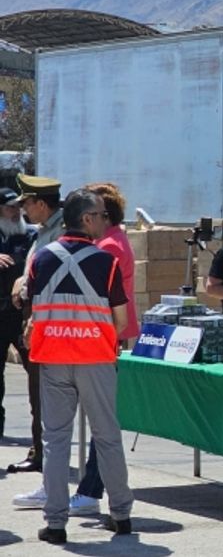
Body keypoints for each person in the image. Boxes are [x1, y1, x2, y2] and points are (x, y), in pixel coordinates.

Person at [28, 189, 134, 544]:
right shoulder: (107, 263)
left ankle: (55, 524)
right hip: (96, 361)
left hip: (53, 360)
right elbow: (120, 320)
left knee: (56, 441)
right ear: (87, 219)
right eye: (103, 215)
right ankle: (121, 516)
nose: (106, 221)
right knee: (107, 438)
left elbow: (33, 307)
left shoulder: (40, 258)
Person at [65, 183, 140, 516]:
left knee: (101, 420)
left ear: (101, 216)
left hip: (104, 335)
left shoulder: (107, 246)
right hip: (109, 333)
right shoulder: (116, 240)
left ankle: (91, 489)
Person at [7, 173, 65, 477]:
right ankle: (40, 451)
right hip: (35, 317)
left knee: (46, 390)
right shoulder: (43, 230)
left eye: (27, 203)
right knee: (37, 390)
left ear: (41, 203)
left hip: (49, 319)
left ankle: (47, 454)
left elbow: (51, 272)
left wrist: (25, 285)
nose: (24, 209)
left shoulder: (62, 232)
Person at [0, 187, 36, 439]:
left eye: (17, 207)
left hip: (23, 316)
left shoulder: (29, 236)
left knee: (36, 371)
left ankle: (40, 429)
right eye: (10, 207)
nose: (15, 212)